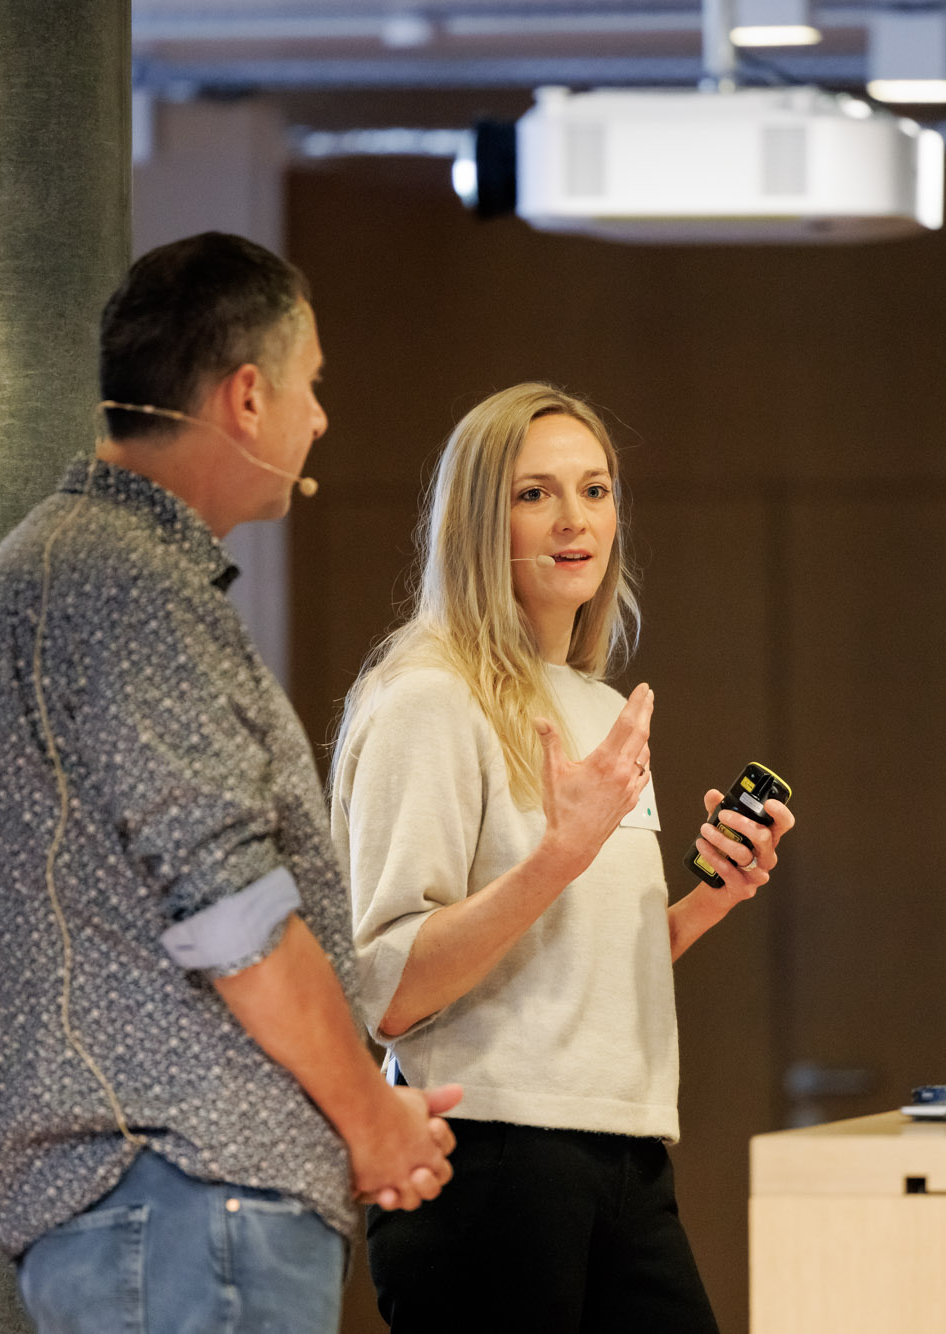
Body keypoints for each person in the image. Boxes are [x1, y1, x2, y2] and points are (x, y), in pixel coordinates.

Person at [0, 232, 459, 1334]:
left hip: (146, 1197)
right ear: (246, 396)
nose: (320, 418)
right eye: (311, 387)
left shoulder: (53, 570)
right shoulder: (124, 585)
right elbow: (230, 914)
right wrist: (370, 1115)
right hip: (184, 1189)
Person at [331, 382, 798, 1333]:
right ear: (477, 521)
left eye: (595, 489)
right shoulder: (427, 696)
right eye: (534, 494)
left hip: (624, 1151)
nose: (574, 519)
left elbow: (567, 964)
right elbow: (387, 987)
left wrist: (711, 899)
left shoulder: (595, 707)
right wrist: (559, 855)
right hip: (490, 1157)